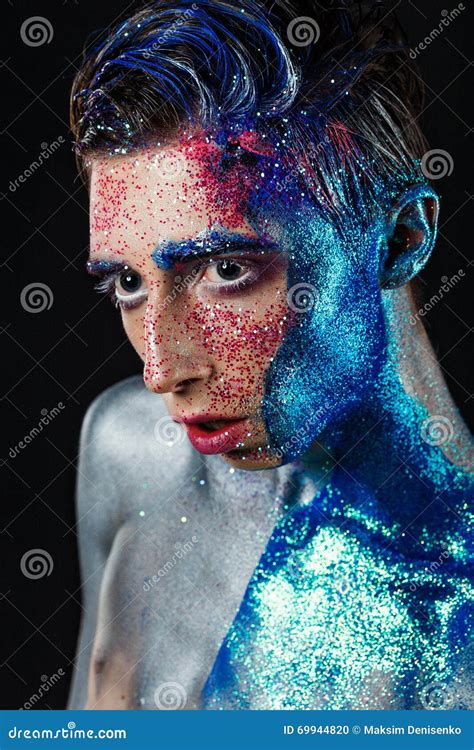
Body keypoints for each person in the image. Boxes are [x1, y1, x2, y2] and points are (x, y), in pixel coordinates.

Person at [67, 0, 473, 710]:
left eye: (226, 269)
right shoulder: (130, 450)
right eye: (129, 282)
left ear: (402, 239)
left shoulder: (456, 627)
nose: (163, 370)